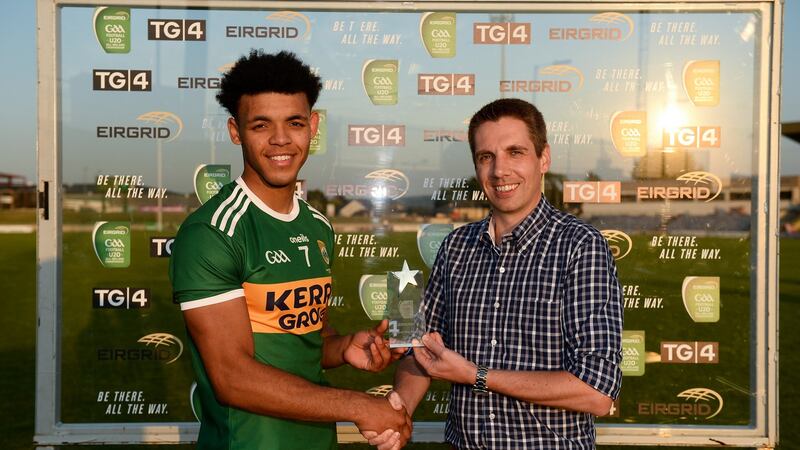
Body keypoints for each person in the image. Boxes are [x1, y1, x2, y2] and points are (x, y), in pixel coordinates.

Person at [170, 50, 410, 450]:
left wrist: (343, 346)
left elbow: (302, 337)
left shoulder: (317, 225)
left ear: (313, 126)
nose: (281, 140)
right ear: (235, 131)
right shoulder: (212, 232)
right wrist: (359, 406)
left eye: (295, 123)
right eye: (261, 125)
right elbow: (232, 378)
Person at [382, 98, 623, 449]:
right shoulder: (456, 247)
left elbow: (597, 392)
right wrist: (395, 413)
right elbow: (418, 351)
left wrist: (477, 377)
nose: (499, 171)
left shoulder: (580, 246)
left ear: (544, 158)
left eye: (515, 152)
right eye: (486, 157)